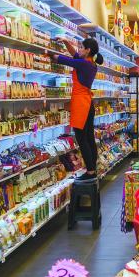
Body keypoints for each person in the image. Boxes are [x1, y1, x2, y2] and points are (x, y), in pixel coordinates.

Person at [51, 37, 103, 183]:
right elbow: (74, 56)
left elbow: (65, 60)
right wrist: (65, 41)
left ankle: (90, 170)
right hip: (87, 103)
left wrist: (46, 53)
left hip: (81, 105)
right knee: (89, 137)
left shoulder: (83, 64)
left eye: (81, 47)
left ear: (88, 50)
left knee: (82, 139)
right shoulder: (90, 63)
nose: (79, 49)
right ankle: (93, 166)